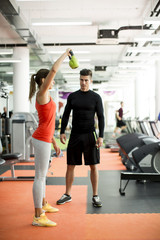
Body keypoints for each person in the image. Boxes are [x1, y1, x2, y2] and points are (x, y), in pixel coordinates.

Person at [29, 48, 71, 227]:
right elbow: (54, 70)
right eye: (50, 79)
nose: (53, 81)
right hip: (40, 140)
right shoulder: (42, 93)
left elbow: (49, 123)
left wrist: (54, 143)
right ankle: (38, 216)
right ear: (44, 81)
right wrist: (66, 53)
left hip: (45, 139)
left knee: (42, 176)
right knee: (39, 177)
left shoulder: (46, 95)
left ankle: (44, 204)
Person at [57, 69, 105, 207]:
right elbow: (65, 115)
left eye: (86, 80)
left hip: (90, 135)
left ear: (90, 81)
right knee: (70, 165)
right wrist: (62, 132)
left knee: (93, 165)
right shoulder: (73, 96)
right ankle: (67, 194)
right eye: (81, 80)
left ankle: (95, 195)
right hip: (75, 135)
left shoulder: (96, 97)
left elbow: (101, 117)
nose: (83, 83)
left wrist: (101, 135)